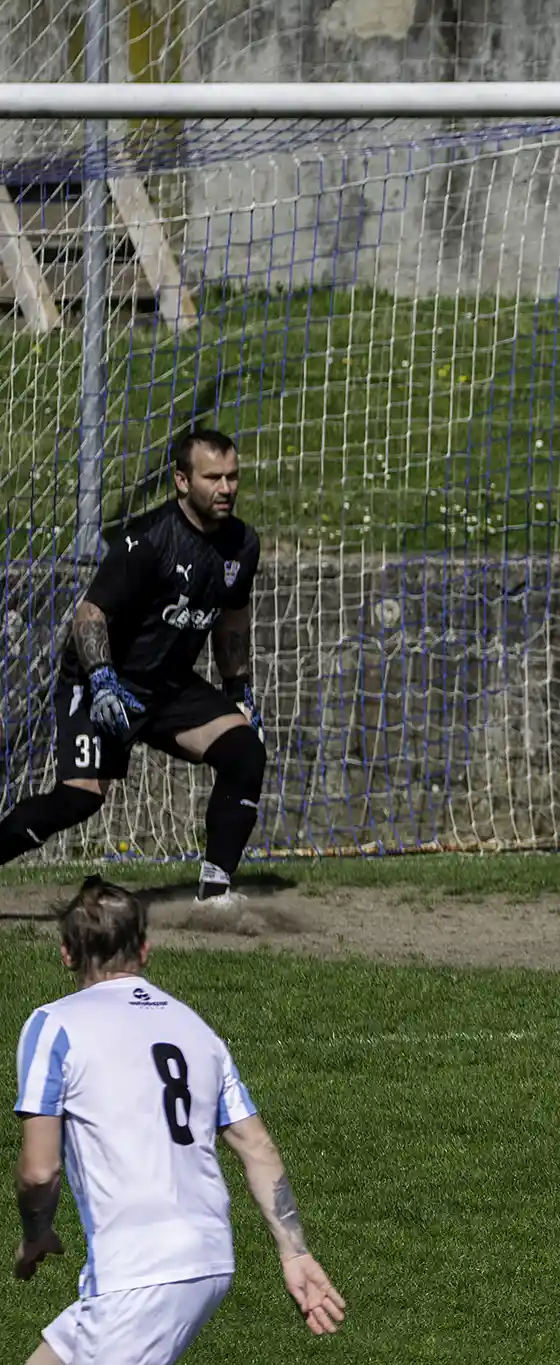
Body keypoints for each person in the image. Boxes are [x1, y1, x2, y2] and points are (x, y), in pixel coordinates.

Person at [13, 877, 345, 1364]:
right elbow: (257, 1147)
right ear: (144, 950)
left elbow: (39, 1170)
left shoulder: (52, 1025)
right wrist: (294, 1252)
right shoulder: (196, 1029)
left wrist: (36, 1231)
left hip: (139, 1272)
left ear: (66, 954)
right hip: (206, 1256)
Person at [0, 430, 266, 901]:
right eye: (212, 478)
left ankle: (214, 893)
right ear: (182, 481)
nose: (226, 488)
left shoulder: (242, 545)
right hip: (102, 681)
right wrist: (102, 679)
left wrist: (238, 689)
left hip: (167, 688)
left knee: (245, 751)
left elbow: (233, 617)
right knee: (80, 798)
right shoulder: (146, 540)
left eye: (232, 477)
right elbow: (90, 615)